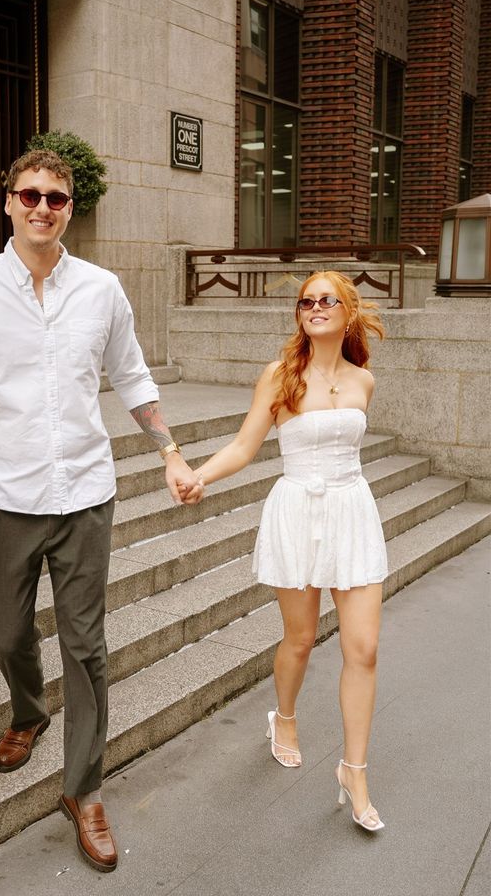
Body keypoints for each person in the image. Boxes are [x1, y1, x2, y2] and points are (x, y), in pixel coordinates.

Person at [0, 149, 197, 872]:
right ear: (8, 202)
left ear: (72, 209)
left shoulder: (102, 290)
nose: (44, 207)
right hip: (2, 498)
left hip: (84, 496)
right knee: (9, 633)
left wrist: (167, 449)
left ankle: (85, 787)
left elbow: (132, 376)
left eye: (58, 199)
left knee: (87, 646)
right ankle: (28, 711)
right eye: (31, 195)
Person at [182, 270, 388, 832]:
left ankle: (355, 770)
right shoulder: (281, 376)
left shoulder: (363, 381)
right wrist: (200, 475)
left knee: (363, 648)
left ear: (347, 312)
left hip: (351, 512)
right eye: (306, 301)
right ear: (299, 314)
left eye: (327, 300)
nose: (316, 306)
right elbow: (246, 446)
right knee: (299, 639)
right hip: (297, 511)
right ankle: (286, 717)